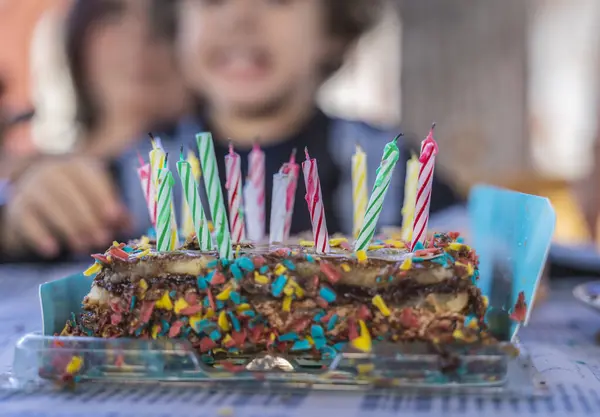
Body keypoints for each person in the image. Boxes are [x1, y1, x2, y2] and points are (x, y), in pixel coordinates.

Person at [0, 0, 461, 260]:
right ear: (177, 28)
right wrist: (28, 211)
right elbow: (27, 233)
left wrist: (487, 249)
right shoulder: (138, 172)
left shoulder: (391, 164)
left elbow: (487, 242)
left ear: (333, 30)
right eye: (212, 0)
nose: (241, 17)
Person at [0, 0, 189, 259]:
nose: (139, 38)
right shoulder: (21, 167)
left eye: (165, 23)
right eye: (112, 15)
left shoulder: (211, 168)